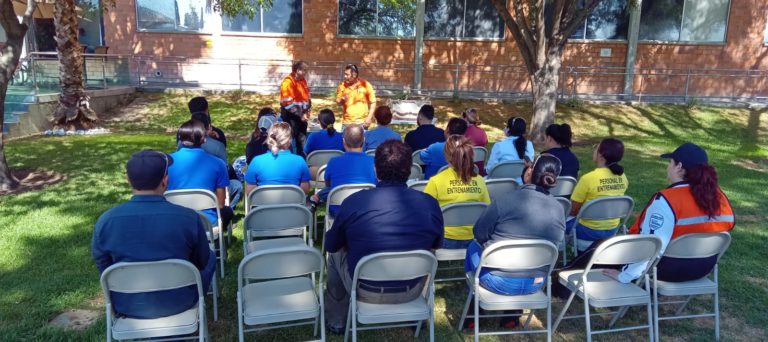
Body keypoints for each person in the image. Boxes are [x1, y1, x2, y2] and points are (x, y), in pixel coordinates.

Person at [323, 140, 444, 334]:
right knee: (429, 253)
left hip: (363, 288)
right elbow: (437, 244)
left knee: (335, 254)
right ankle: (416, 318)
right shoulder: (429, 204)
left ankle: (337, 320)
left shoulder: (354, 202)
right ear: (409, 170)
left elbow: (331, 244)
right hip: (412, 287)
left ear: (375, 170)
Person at [92, 150, 216, 319]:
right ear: (165, 180)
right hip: (180, 301)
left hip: (127, 303)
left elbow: (104, 265)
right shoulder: (188, 218)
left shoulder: (105, 222)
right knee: (211, 256)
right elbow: (201, 261)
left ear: (128, 180)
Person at [602, 143, 735, 284]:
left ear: (679, 167)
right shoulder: (719, 197)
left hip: (668, 270)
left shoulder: (667, 200)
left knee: (599, 250)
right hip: (703, 268)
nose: (668, 167)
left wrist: (624, 276)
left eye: (670, 162)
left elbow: (651, 246)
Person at [466, 154, 565, 329]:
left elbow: (479, 233)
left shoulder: (504, 200)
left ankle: (474, 314)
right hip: (536, 281)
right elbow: (556, 242)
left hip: (496, 280)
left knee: (472, 246)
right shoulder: (559, 209)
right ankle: (511, 316)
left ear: (530, 172)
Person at [424, 135, 491, 249]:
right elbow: (487, 210)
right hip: (474, 239)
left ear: (446, 155)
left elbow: (425, 213)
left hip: (444, 240)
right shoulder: (480, 180)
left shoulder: (436, 181)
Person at [168, 120, 236, 229]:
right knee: (228, 211)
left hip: (173, 219)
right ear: (204, 139)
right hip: (207, 221)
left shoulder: (166, 162)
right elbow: (221, 204)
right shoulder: (218, 163)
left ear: (180, 138)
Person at [568, 138, 628, 251]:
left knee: (556, 221)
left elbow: (573, 210)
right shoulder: (623, 177)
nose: (594, 150)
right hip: (612, 230)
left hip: (587, 231)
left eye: (596, 148)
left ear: (601, 155)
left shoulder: (588, 179)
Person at [310, 125, 377, 217]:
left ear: (343, 142)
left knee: (333, 188)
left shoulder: (334, 161)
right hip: (366, 210)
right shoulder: (373, 162)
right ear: (364, 140)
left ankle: (317, 197)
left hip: (339, 212)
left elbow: (328, 184)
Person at [244, 122, 311, 195]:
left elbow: (250, 191)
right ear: (290, 140)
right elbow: (305, 190)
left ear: (269, 138)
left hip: (264, 206)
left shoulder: (257, 161)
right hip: (293, 206)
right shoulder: (300, 161)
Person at [280, 60, 311, 157]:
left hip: (301, 117)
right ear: (297, 70)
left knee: (302, 141)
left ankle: (302, 160)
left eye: (306, 71)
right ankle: (289, 160)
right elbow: (287, 104)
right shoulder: (288, 82)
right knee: (289, 141)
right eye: (304, 71)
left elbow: (307, 98)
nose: (305, 73)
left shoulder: (303, 81)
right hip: (290, 117)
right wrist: (301, 114)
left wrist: (307, 111)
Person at [335, 64, 376, 128]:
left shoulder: (366, 85)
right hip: (347, 123)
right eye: (344, 74)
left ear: (354, 75)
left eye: (347, 74)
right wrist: (342, 100)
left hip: (362, 123)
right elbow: (338, 102)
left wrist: (369, 118)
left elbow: (373, 102)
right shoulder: (342, 85)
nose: (345, 76)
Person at [463, 108, 488, 176]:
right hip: (480, 171)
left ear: (465, 118)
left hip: (465, 172)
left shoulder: (463, 132)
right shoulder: (482, 132)